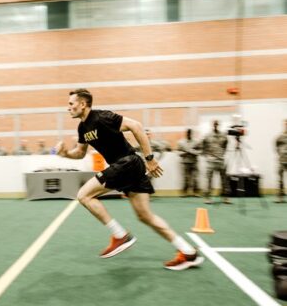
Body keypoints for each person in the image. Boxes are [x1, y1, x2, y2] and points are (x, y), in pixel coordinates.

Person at [56, 88, 203, 271]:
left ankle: (120, 235)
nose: (68, 108)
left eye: (71, 103)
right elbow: (79, 153)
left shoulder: (102, 117)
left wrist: (150, 159)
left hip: (128, 163)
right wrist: (64, 155)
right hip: (128, 167)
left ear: (83, 104)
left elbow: (136, 126)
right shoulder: (82, 128)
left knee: (84, 195)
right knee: (145, 216)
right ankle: (188, 251)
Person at [202, 120, 231, 204]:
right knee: (209, 180)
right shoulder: (207, 136)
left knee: (224, 180)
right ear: (212, 125)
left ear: (219, 125)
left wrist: (222, 154)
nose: (216, 126)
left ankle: (226, 197)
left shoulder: (223, 136)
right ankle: (207, 197)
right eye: (214, 124)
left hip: (221, 160)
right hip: (211, 161)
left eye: (217, 124)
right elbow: (203, 147)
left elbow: (226, 146)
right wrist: (207, 156)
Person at [177, 129, 201, 197]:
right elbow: (178, 152)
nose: (189, 134)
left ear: (192, 134)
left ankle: (196, 192)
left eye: (190, 133)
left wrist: (192, 152)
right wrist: (184, 153)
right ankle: (184, 193)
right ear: (186, 134)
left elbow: (200, 151)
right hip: (185, 162)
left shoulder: (196, 141)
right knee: (185, 178)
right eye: (188, 133)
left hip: (194, 162)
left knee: (195, 178)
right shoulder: (181, 142)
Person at [275, 119, 287, 203]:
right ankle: (280, 196)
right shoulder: (280, 137)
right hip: (281, 160)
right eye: (285, 124)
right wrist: (280, 154)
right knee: (280, 179)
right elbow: (276, 146)